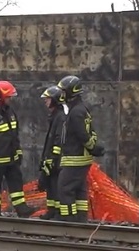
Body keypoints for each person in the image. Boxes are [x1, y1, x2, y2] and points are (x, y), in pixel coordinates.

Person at [0, 80, 36, 218]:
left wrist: (18, 152)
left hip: (11, 159)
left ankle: (21, 209)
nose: (10, 99)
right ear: (0, 96)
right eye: (8, 97)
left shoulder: (10, 112)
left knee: (16, 184)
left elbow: (14, 135)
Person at [57, 75, 104, 222]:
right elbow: (92, 132)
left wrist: (92, 148)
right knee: (79, 189)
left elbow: (82, 134)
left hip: (74, 158)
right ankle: (81, 219)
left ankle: (69, 220)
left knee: (65, 188)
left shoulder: (76, 112)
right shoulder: (81, 109)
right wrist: (93, 147)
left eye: (63, 92)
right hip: (79, 158)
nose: (61, 95)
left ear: (71, 92)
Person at [37, 85, 67, 220]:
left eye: (48, 99)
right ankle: (51, 211)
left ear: (55, 100)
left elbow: (58, 140)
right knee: (50, 185)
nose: (45, 101)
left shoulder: (60, 117)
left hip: (57, 160)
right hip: (51, 158)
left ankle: (57, 213)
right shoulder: (55, 116)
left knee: (55, 185)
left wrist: (52, 159)